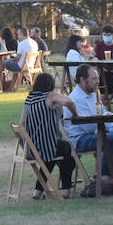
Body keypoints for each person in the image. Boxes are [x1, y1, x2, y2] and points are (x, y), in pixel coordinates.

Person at [64, 64, 113, 188]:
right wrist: (106, 125)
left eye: (97, 78)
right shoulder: (75, 99)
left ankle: (110, 173)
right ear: (82, 80)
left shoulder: (93, 94)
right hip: (80, 139)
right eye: (94, 78)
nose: (98, 81)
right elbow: (88, 127)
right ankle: (103, 175)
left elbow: (104, 115)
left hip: (95, 134)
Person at [19, 72, 76, 200]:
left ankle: (38, 190)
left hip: (31, 149)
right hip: (46, 148)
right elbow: (69, 101)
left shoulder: (29, 98)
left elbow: (21, 123)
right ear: (50, 85)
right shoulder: (50, 96)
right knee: (65, 149)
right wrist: (75, 114)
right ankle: (65, 189)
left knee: (53, 154)